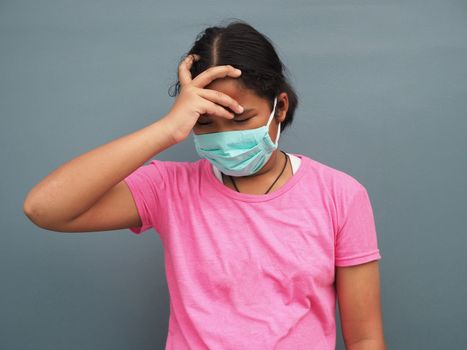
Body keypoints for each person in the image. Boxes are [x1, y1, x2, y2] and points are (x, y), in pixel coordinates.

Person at [23, 19, 386, 350]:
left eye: (241, 119)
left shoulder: (340, 195)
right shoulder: (168, 189)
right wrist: (167, 129)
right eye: (206, 124)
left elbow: (366, 338)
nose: (225, 137)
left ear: (281, 107)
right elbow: (45, 208)